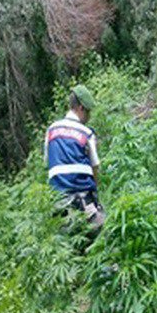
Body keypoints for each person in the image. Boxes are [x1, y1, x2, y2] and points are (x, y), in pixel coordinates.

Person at [44, 85, 105, 231]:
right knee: (102, 234)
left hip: (58, 199)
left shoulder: (51, 130)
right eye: (88, 111)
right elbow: (95, 167)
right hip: (83, 198)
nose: (89, 117)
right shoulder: (86, 132)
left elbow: (47, 163)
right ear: (81, 108)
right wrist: (96, 197)